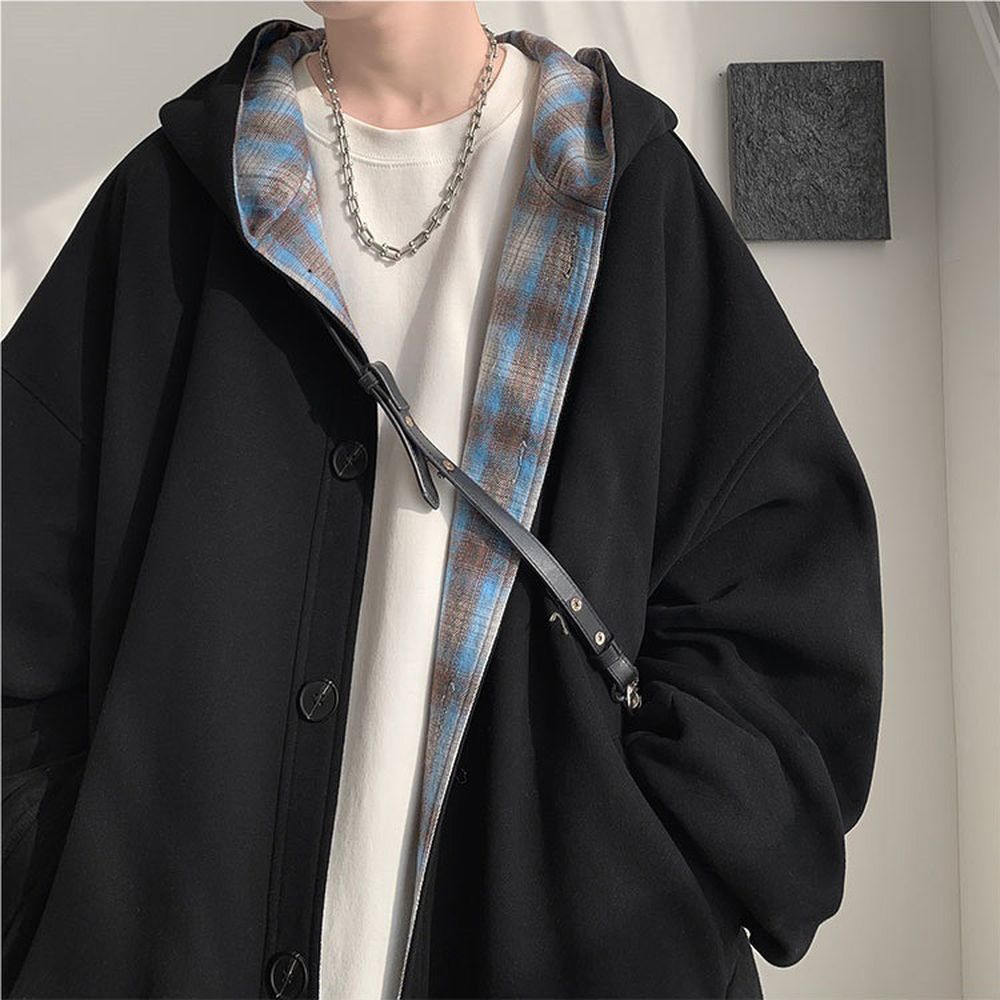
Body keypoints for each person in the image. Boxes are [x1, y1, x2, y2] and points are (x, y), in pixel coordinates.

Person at [1, 2, 884, 999]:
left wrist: (650, 873)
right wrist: (56, 901)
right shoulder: (174, 202)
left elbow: (786, 605)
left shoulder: (621, 191)